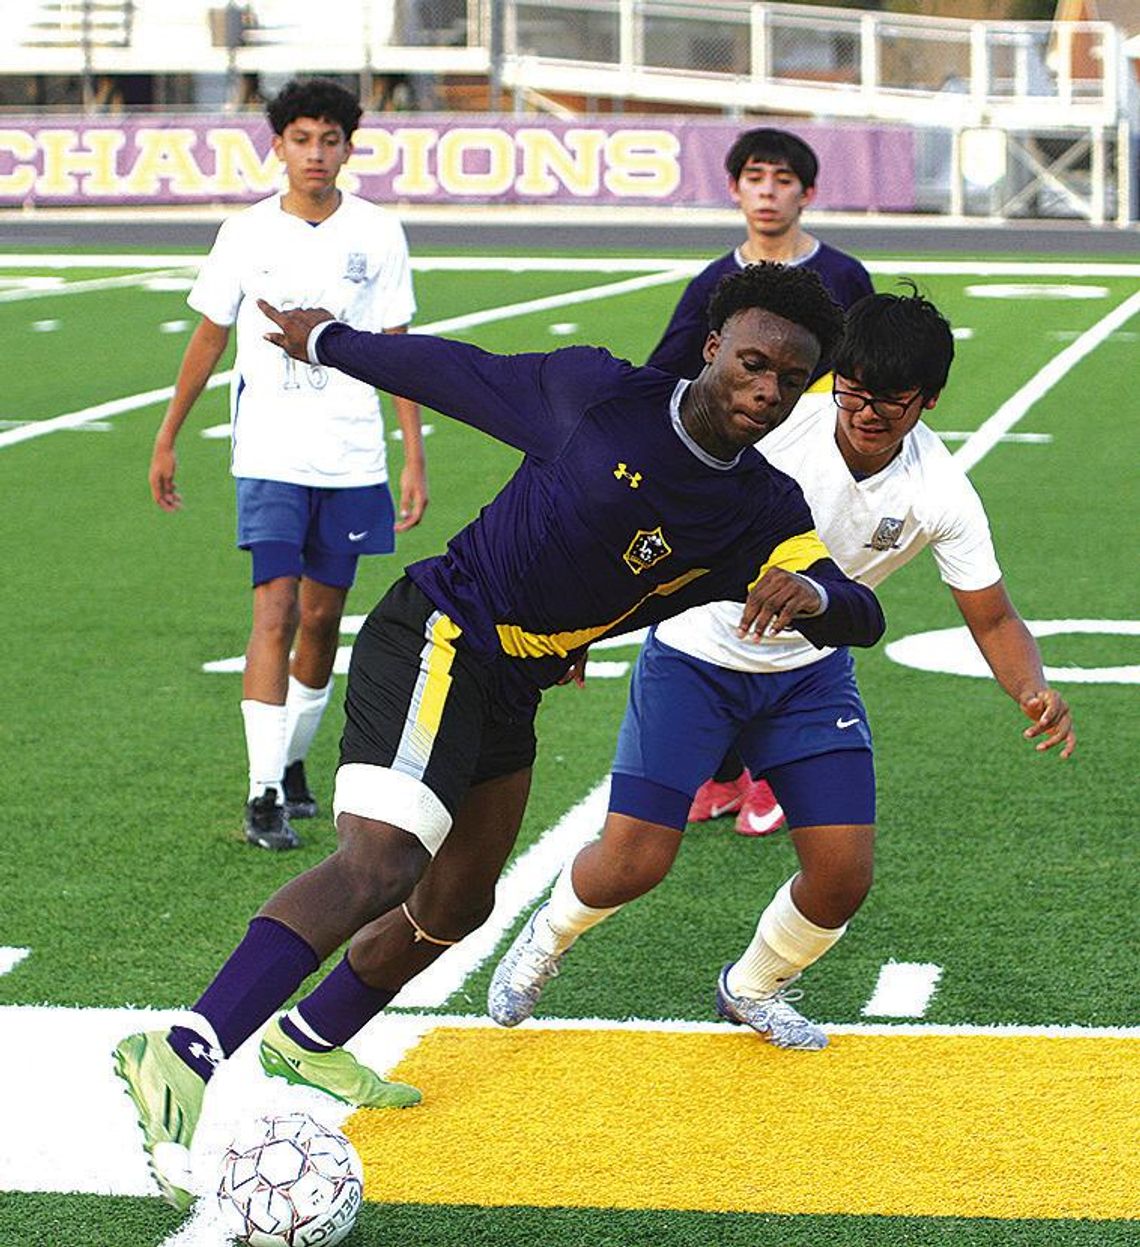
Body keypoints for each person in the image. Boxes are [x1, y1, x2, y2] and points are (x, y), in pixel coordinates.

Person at [114, 263, 886, 1212]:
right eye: (753, 362)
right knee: (382, 863)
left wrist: (815, 594)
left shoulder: (763, 507)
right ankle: (184, 1048)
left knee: (458, 901)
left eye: (789, 377)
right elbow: (453, 370)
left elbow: (857, 609)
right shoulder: (597, 394)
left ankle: (309, 1039)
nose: (765, 391)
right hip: (442, 627)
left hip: (516, 677)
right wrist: (325, 340)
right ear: (713, 345)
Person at [489, 289, 1075, 1051]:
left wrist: (1032, 687)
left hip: (808, 674)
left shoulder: (940, 493)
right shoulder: (771, 430)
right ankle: (546, 937)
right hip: (697, 654)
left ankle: (753, 986)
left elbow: (993, 616)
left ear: (929, 399)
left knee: (841, 875)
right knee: (633, 861)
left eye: (892, 401)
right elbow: (638, 509)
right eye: (854, 390)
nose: (867, 412)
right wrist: (584, 626)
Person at [147, 76, 427, 852]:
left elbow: (397, 349)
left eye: (329, 140)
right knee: (272, 609)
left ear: (348, 147)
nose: (315, 153)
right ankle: (263, 789)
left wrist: (413, 454)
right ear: (278, 146)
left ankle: (293, 762)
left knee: (322, 617)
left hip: (351, 454)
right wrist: (169, 433)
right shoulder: (245, 233)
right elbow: (208, 335)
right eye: (300, 139)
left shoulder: (378, 231)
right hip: (269, 453)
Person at [649, 127, 873, 835]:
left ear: (807, 193)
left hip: (809, 478)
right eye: (755, 178)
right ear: (735, 187)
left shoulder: (843, 276)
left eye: (783, 180)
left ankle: (774, 772)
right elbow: (664, 375)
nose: (768, 192)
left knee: (792, 614)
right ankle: (721, 775)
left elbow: (867, 374)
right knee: (707, 608)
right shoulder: (713, 285)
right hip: (730, 468)